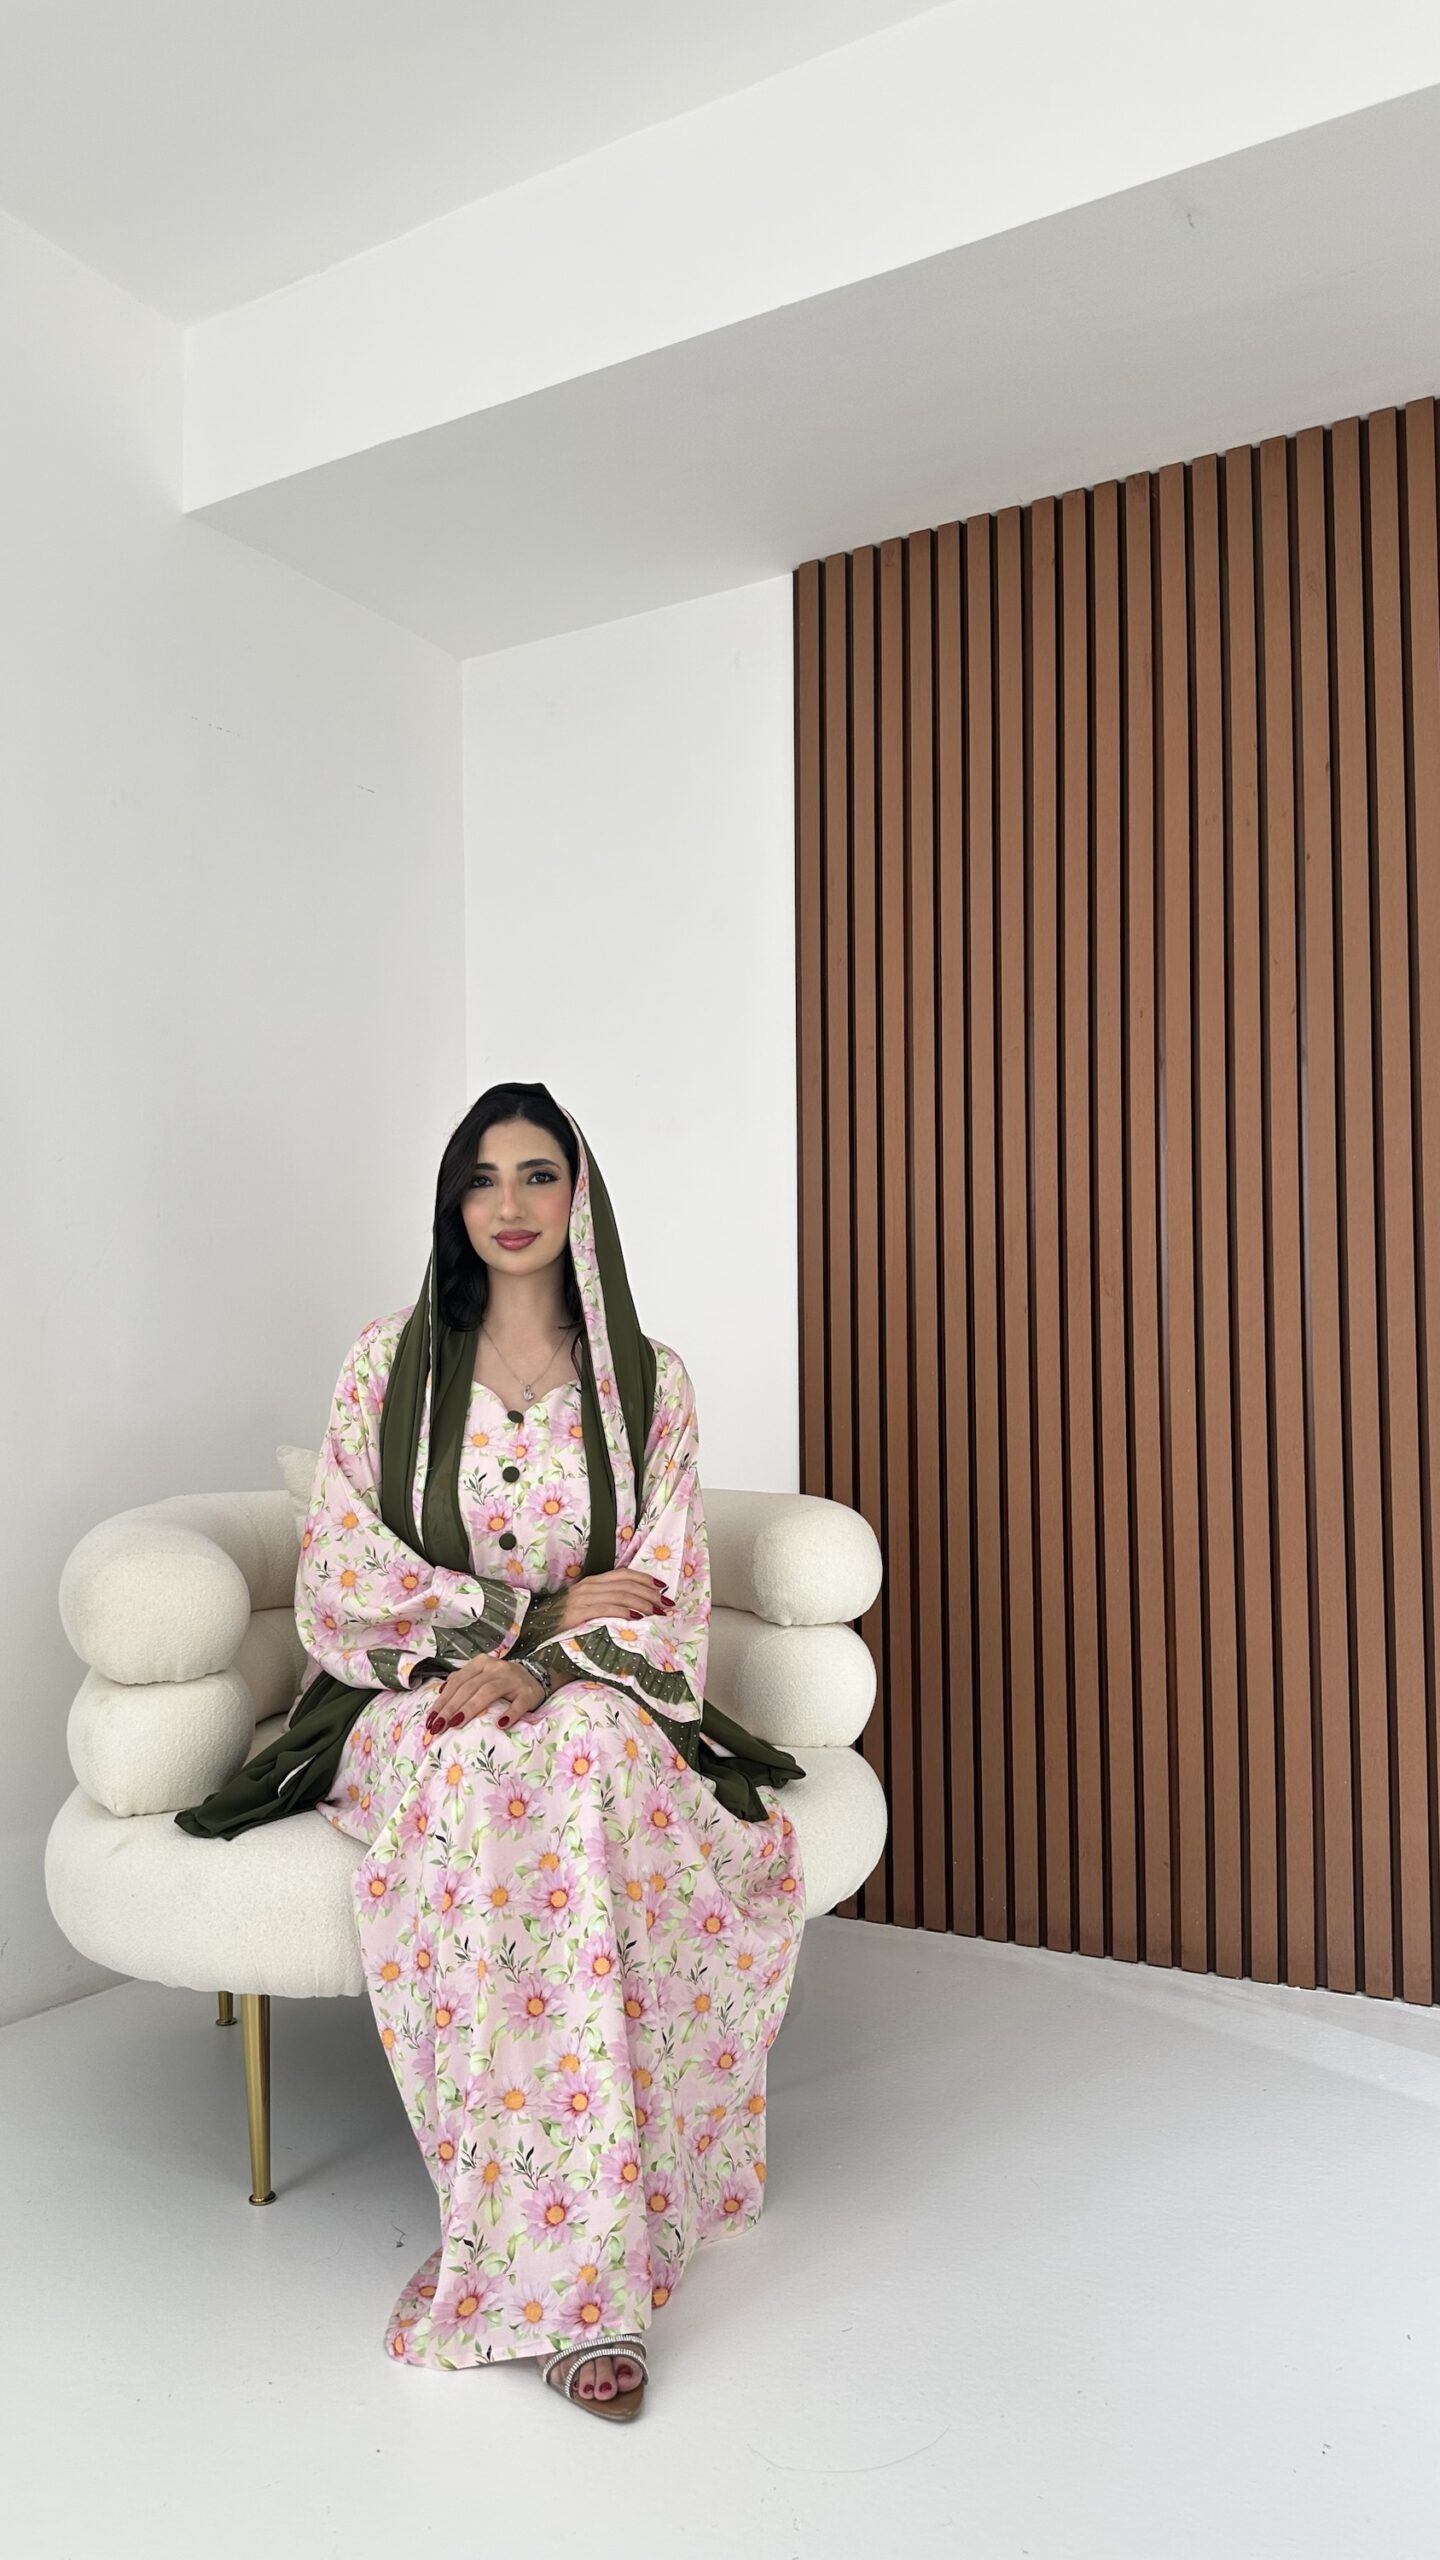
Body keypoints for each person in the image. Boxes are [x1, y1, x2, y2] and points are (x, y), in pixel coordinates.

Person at [176, 1081, 805, 2422]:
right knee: (476, 1765)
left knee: (579, 1757)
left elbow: (668, 1588)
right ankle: (564, 2278)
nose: (509, 1205)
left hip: (595, 1696)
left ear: (582, 1195)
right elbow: (343, 1573)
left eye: (536, 1175)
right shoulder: (385, 1367)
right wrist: (523, 1621)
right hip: (417, 1694)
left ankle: (586, 2271)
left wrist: (550, 1660)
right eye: (482, 1179)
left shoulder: (651, 1385)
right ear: (452, 1203)